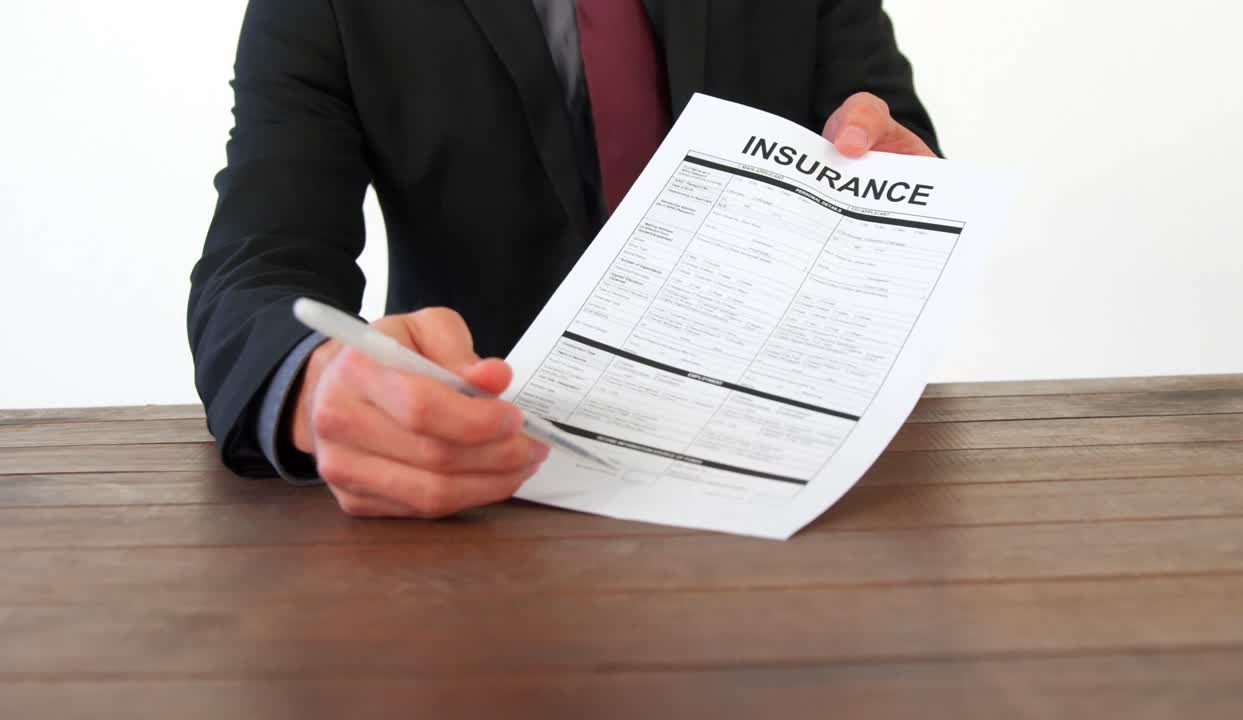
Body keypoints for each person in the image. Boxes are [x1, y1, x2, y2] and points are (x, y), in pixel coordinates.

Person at [188, 0, 940, 519]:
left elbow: (894, 142)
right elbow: (257, 262)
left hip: (788, 463)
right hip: (485, 483)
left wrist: (902, 180)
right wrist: (314, 386)